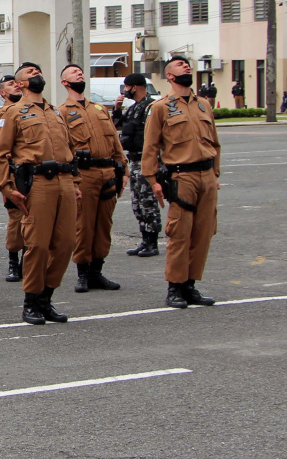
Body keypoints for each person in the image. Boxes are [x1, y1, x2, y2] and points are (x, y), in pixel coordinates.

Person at [0, 62, 81, 325]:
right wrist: (6, 187)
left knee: (66, 244)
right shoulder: (15, 113)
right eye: (30, 73)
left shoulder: (55, 112)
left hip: (64, 181)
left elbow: (70, 149)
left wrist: (75, 182)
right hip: (37, 183)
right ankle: (31, 301)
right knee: (38, 245)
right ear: (19, 84)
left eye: (38, 72)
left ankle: (46, 297)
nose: (36, 74)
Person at [142, 56, 220, 309]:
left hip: (206, 175)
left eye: (187, 64)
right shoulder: (161, 107)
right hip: (181, 176)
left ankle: (190, 285)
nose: (186, 66)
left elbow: (215, 143)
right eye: (179, 65)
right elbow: (151, 146)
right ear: (170, 76)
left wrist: (215, 174)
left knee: (203, 233)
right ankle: (175, 287)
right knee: (180, 233)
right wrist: (153, 180)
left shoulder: (203, 105)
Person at [58, 65, 127, 293]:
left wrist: (123, 171)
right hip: (84, 174)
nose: (79, 74)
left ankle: (97, 271)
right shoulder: (62, 112)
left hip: (107, 172)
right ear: (64, 82)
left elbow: (115, 142)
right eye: (73, 73)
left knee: (103, 225)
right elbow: (64, 148)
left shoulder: (99, 109)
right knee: (83, 225)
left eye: (80, 72)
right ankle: (83, 273)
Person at [113, 73, 162, 257]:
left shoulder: (151, 107)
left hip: (146, 160)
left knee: (148, 201)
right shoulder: (133, 108)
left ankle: (152, 241)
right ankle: (144, 239)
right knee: (137, 202)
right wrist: (117, 108)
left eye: (126, 87)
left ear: (134, 87)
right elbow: (118, 125)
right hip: (134, 160)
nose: (125, 91)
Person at [0, 74, 25, 282]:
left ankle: (27, 261)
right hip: (13, 174)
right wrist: (1, 179)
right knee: (16, 219)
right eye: (11, 84)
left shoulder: (32, 110)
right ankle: (13, 261)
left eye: (17, 82)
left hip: (33, 172)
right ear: (3, 93)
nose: (16, 86)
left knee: (34, 219)